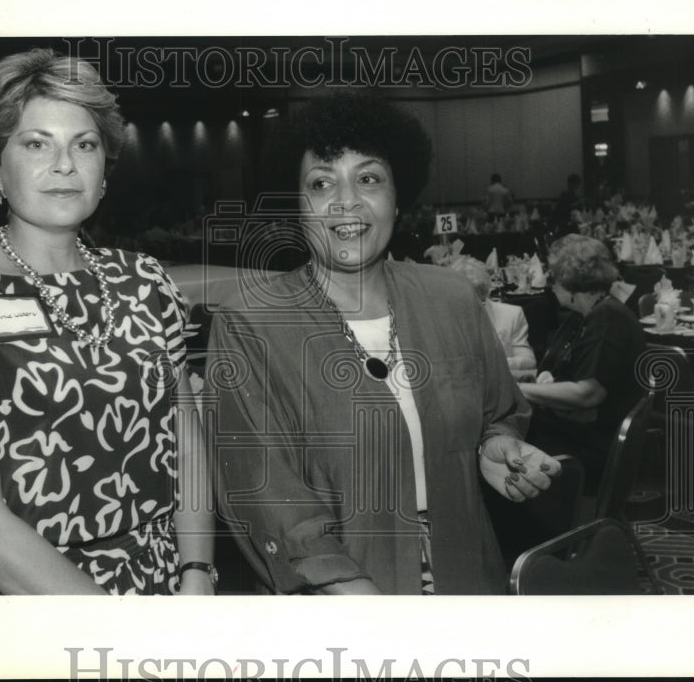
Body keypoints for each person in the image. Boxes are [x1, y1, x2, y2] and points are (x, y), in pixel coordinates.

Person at [0, 49, 214, 595]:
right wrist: (122, 639)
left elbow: (187, 441)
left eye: (83, 145)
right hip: (32, 600)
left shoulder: (148, 283)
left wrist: (197, 571)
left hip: (167, 585)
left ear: (104, 167)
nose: (64, 165)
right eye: (37, 144)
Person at [207, 92, 560, 595]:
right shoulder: (252, 324)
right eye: (321, 183)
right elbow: (261, 488)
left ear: (398, 197)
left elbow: (497, 411)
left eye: (368, 179)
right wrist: (345, 587)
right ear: (298, 205)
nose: (346, 200)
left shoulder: (452, 298)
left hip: (468, 575)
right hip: (339, 595)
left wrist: (493, 444)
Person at [517, 234, 648, 492]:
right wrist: (510, 375)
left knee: (503, 446)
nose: (550, 286)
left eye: (553, 278)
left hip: (593, 445)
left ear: (570, 281)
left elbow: (587, 394)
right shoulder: (585, 315)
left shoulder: (607, 320)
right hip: (578, 432)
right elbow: (560, 371)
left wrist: (519, 389)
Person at [448, 256, 537, 380]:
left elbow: (529, 361)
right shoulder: (440, 318)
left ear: (487, 293)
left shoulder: (511, 314)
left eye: (479, 302)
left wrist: (492, 363)